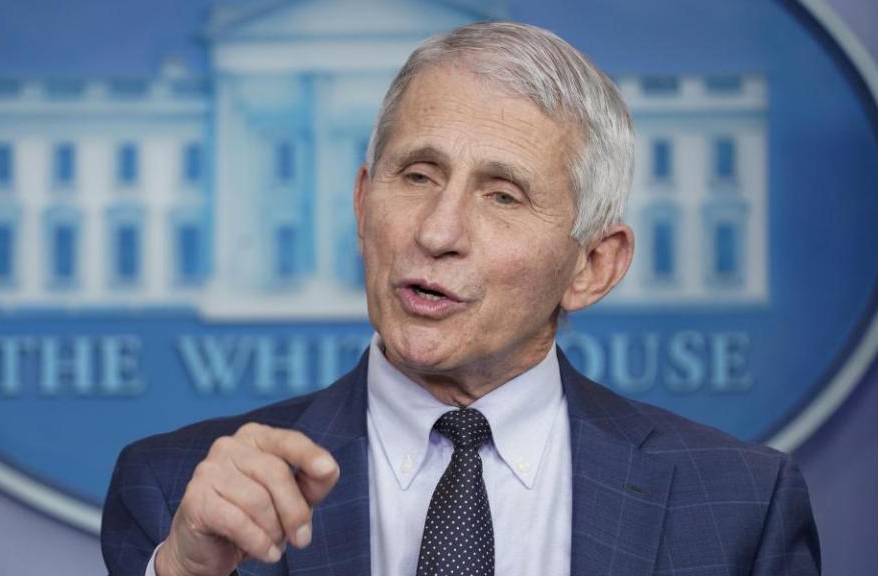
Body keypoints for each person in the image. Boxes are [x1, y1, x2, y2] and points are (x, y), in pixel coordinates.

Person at [102, 21, 820, 576]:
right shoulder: (177, 491)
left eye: (502, 196)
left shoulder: (738, 506)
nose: (437, 231)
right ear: (361, 205)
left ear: (593, 266)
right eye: (416, 176)